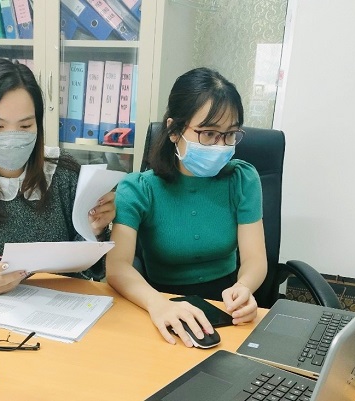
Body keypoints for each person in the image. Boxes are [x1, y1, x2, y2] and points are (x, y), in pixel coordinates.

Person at [106, 67, 268, 347]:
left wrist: (243, 289)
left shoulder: (243, 179)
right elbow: (117, 267)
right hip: (160, 305)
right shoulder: (138, 189)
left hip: (225, 306)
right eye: (209, 133)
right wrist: (158, 304)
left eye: (230, 134)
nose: (221, 145)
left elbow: (255, 259)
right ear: (174, 130)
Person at [0, 59, 115, 295]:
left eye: (25, 126)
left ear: (38, 125)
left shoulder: (62, 171)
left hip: (67, 304)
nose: (12, 136)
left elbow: (92, 267)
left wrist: (96, 230)